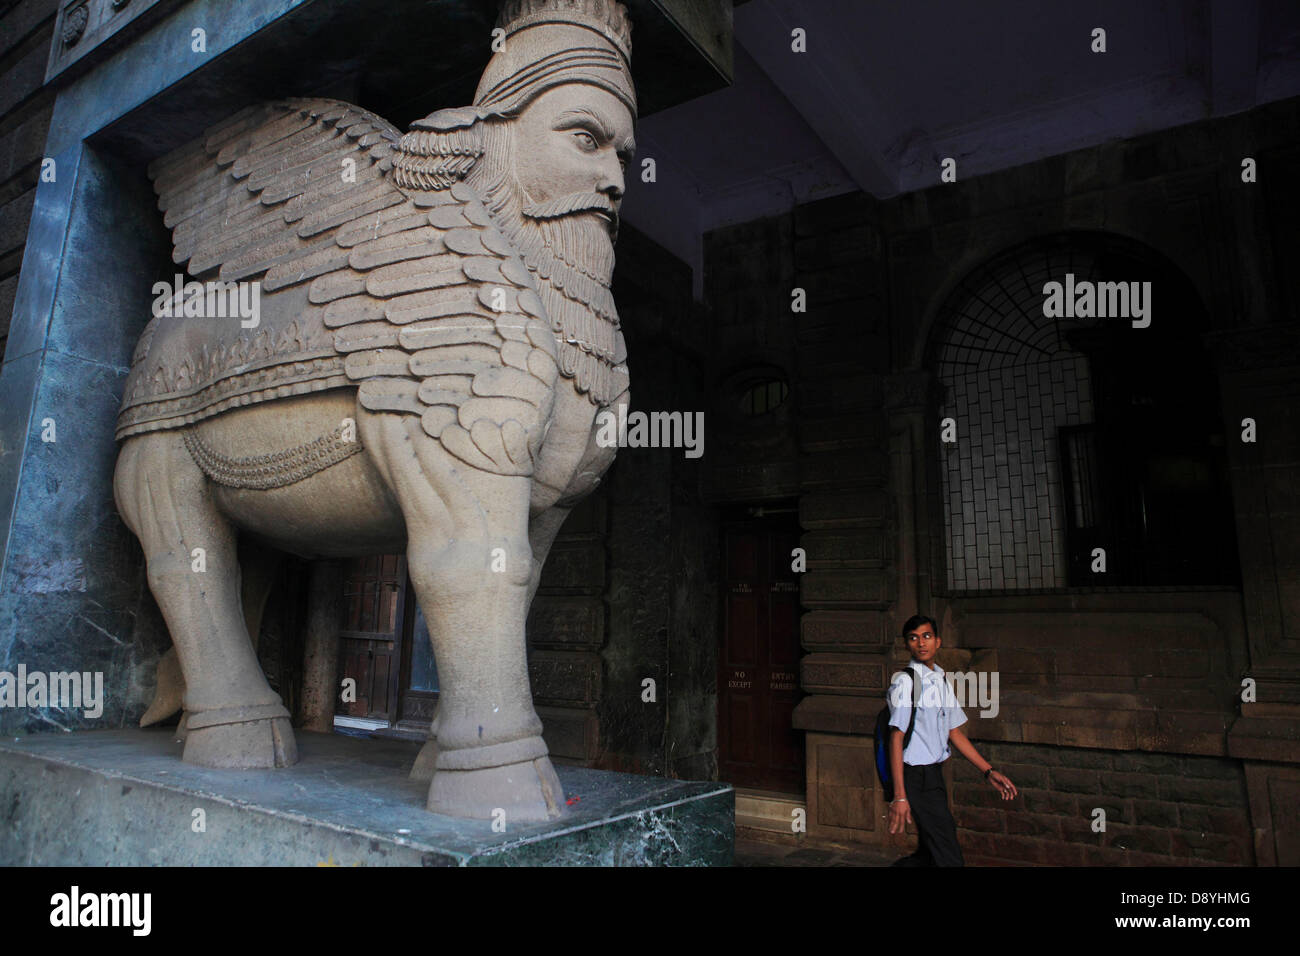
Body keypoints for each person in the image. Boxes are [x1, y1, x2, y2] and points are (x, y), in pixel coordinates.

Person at [887, 614, 1017, 866]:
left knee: (930, 854)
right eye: (913, 638)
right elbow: (896, 738)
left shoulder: (940, 679)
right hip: (915, 777)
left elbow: (954, 732)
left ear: (937, 641)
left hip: (934, 776)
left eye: (926, 636)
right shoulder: (906, 683)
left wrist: (988, 771)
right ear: (907, 645)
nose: (921, 643)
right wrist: (900, 796)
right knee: (949, 856)